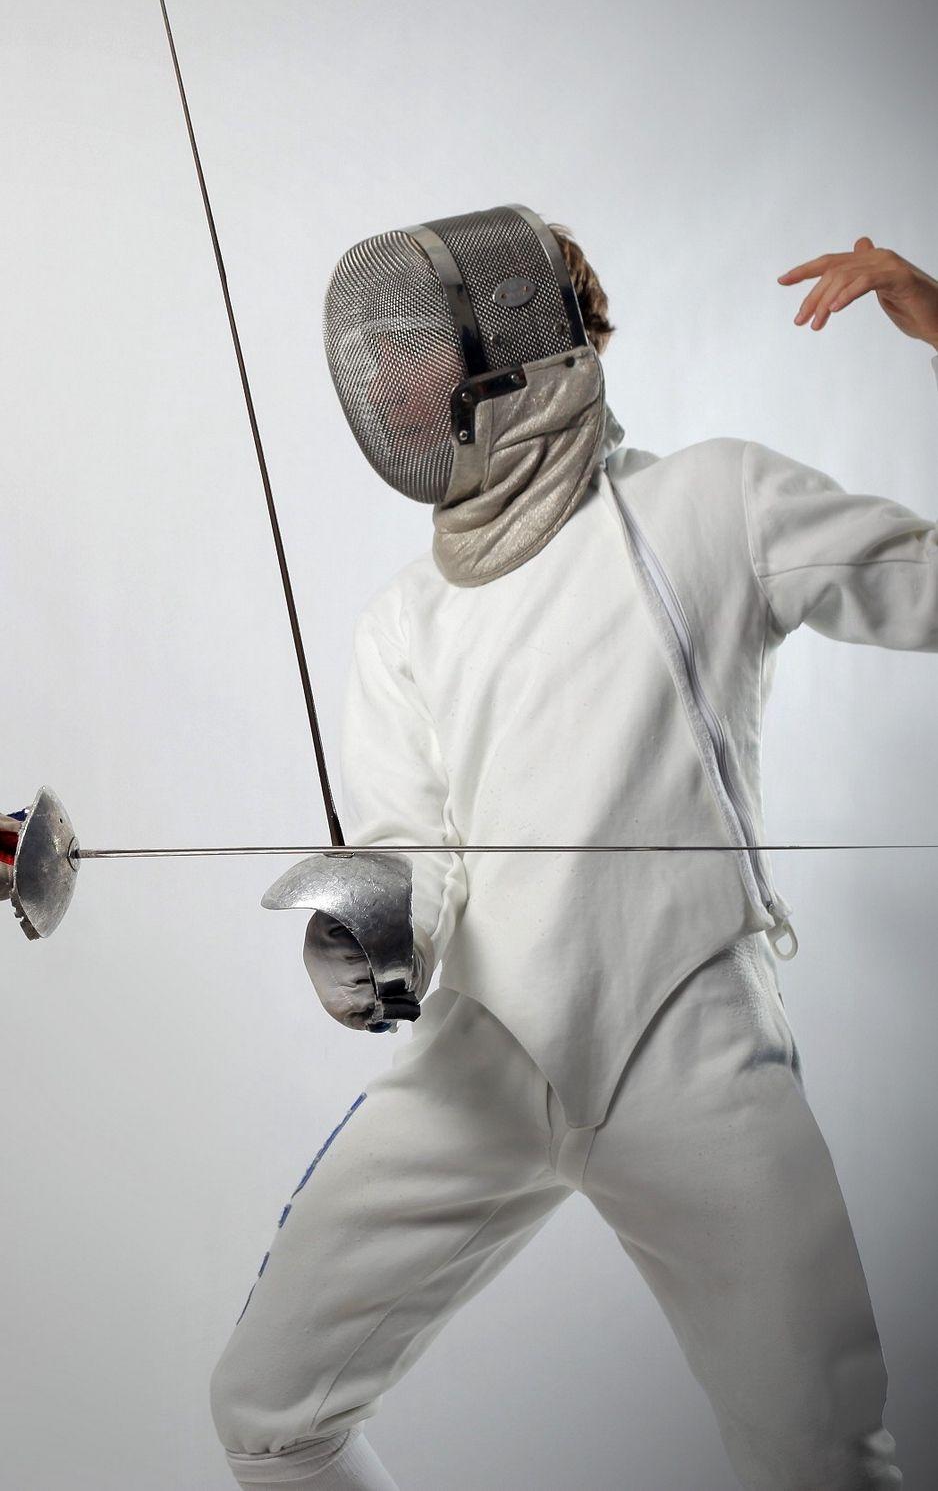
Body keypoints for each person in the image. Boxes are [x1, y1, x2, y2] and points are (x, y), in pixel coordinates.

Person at [210, 219, 938, 1490]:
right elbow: (411, 852)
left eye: (407, 346)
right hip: (486, 1059)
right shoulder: (402, 623)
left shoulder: (709, 503)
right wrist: (365, 928)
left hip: (690, 1046)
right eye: (374, 357)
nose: (380, 381)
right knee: (270, 1413)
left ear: (511, 342)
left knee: (816, 1458)